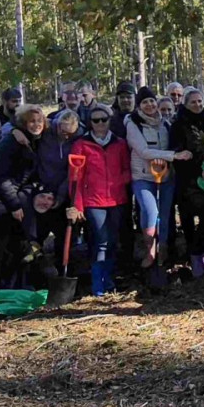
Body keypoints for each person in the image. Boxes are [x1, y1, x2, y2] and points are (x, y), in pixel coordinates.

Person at [0, 104, 45, 289]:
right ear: (23, 123)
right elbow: (1, 177)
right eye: (31, 121)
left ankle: (14, 285)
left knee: (16, 242)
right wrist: (15, 205)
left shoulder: (33, 139)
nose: (36, 124)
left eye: (39, 121)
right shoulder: (10, 143)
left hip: (14, 194)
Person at [68, 103, 132, 296]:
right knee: (101, 241)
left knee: (112, 241)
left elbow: (127, 169)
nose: (100, 123)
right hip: (94, 201)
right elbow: (75, 177)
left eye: (104, 119)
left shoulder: (119, 143)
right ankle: (98, 284)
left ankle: (109, 280)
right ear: (90, 123)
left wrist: (117, 182)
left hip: (116, 199)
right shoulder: (81, 144)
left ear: (109, 121)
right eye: (96, 120)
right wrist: (77, 204)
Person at [126, 86, 189, 271]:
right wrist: (174, 156)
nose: (150, 105)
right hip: (143, 176)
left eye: (152, 101)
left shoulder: (165, 123)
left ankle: (164, 250)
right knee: (150, 212)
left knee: (165, 214)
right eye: (145, 102)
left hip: (166, 176)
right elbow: (144, 151)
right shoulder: (133, 124)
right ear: (139, 106)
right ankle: (150, 249)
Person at [172, 88, 204, 277]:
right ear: (185, 104)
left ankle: (202, 252)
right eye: (193, 102)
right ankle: (194, 256)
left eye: (200, 101)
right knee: (189, 219)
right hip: (188, 180)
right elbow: (177, 153)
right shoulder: (178, 125)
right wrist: (198, 170)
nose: (198, 105)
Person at [29, 109, 84, 274]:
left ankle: (64, 271)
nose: (66, 136)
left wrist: (60, 197)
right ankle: (34, 271)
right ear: (57, 125)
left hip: (65, 191)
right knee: (35, 235)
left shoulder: (79, 137)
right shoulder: (45, 131)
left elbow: (72, 171)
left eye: (70, 134)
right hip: (41, 189)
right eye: (63, 132)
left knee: (65, 236)